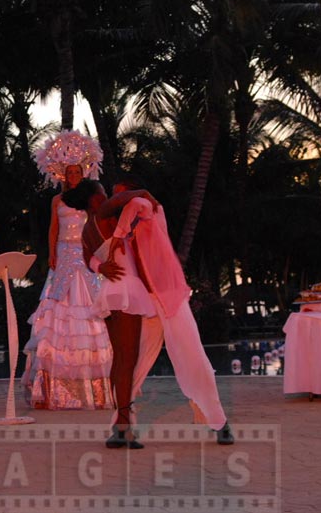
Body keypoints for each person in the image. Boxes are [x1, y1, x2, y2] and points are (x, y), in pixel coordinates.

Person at [63, 178, 233, 447]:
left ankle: (214, 420)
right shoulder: (111, 212)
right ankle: (121, 426)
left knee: (137, 360)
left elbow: (85, 256)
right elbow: (136, 199)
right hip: (132, 294)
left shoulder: (102, 226)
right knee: (130, 361)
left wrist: (99, 266)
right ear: (97, 198)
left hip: (146, 293)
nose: (117, 198)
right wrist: (142, 193)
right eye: (110, 193)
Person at [21, 132, 114, 410]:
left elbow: (100, 224)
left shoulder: (92, 197)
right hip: (62, 256)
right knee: (58, 311)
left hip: (85, 255)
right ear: (63, 174)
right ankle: (54, 387)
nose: (73, 175)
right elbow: (53, 228)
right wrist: (51, 253)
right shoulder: (57, 201)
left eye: (77, 171)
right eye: (69, 172)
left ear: (83, 173)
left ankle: (96, 387)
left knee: (88, 311)